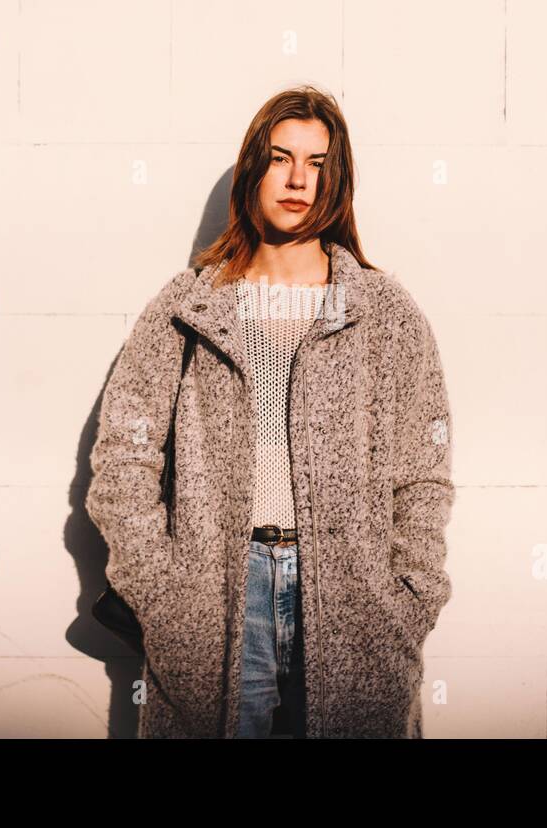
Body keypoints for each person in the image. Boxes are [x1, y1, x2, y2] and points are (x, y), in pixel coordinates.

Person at [86, 84, 455, 738]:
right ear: (254, 169)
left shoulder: (385, 314)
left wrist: (408, 598)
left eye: (317, 164)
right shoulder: (189, 306)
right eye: (282, 158)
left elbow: (422, 474)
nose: (298, 181)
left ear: (336, 182)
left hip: (352, 599)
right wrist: (168, 603)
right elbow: (123, 463)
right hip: (221, 597)